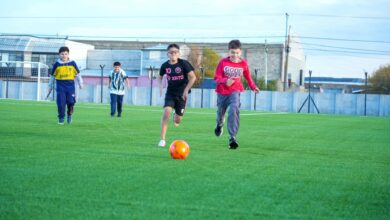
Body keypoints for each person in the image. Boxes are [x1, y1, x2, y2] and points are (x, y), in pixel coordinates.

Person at [214, 40, 260, 149]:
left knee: (234, 109)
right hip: (222, 92)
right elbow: (216, 78)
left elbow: (248, 77)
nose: (235, 55)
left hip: (235, 91)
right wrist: (225, 81)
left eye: (237, 53)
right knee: (220, 113)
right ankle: (220, 124)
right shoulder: (223, 63)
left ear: (240, 52)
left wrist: (253, 87)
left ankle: (232, 137)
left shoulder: (243, 64)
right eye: (232, 52)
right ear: (228, 52)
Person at [157, 44, 196, 147]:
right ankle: (162, 139)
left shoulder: (184, 64)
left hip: (182, 95)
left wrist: (186, 90)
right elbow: (160, 77)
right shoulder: (165, 65)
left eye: (175, 52)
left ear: (179, 54)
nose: (173, 54)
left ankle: (177, 115)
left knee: (177, 120)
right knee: (166, 113)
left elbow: (193, 77)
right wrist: (160, 87)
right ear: (168, 54)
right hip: (170, 93)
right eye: (171, 52)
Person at [48, 46, 83, 125]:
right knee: (61, 103)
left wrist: (81, 83)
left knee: (71, 102)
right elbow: (52, 76)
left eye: (65, 54)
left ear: (68, 54)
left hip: (70, 86)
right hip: (60, 86)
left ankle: (69, 114)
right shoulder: (57, 64)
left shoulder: (72, 63)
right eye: (62, 54)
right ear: (59, 55)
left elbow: (78, 74)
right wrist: (50, 86)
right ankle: (61, 118)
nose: (64, 56)